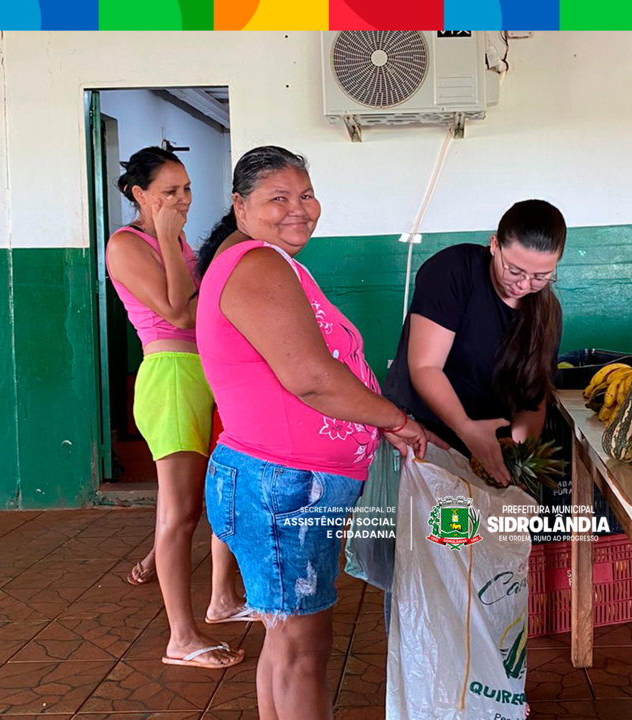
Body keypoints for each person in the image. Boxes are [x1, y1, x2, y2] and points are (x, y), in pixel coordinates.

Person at [196, 145, 431, 720]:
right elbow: (308, 376)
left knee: (286, 640)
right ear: (240, 206)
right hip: (281, 484)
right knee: (304, 649)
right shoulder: (255, 263)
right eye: (277, 198)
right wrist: (395, 420)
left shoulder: (269, 261)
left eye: (305, 194)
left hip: (283, 482)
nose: (297, 209)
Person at [381, 198, 566, 628]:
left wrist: (518, 448)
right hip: (425, 441)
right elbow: (424, 365)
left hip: (486, 454)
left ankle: (481, 681)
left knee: (483, 572)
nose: (524, 284)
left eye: (541, 275)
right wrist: (467, 429)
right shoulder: (455, 270)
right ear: (494, 245)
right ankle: (421, 683)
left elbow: (532, 400)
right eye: (514, 270)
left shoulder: (547, 313)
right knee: (420, 568)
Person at [105, 147, 249, 670]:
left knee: (218, 494)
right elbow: (177, 311)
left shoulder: (182, 241)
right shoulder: (126, 245)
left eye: (187, 189)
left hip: (205, 373)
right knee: (180, 512)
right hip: (170, 377)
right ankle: (181, 639)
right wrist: (166, 236)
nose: (182, 200)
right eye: (170, 192)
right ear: (138, 194)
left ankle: (222, 599)